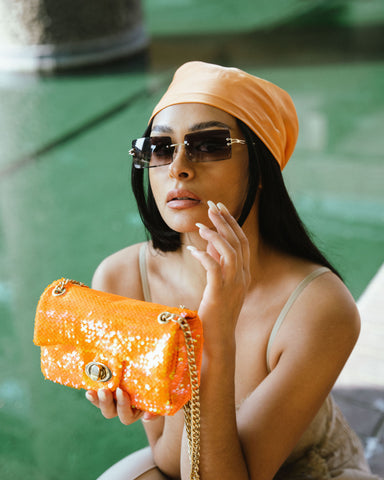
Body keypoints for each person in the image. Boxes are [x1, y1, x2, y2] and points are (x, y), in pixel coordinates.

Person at [85, 62, 380, 480]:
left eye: (208, 144)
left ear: (260, 168)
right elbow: (173, 462)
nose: (178, 168)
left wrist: (214, 335)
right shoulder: (122, 280)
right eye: (161, 147)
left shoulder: (319, 306)